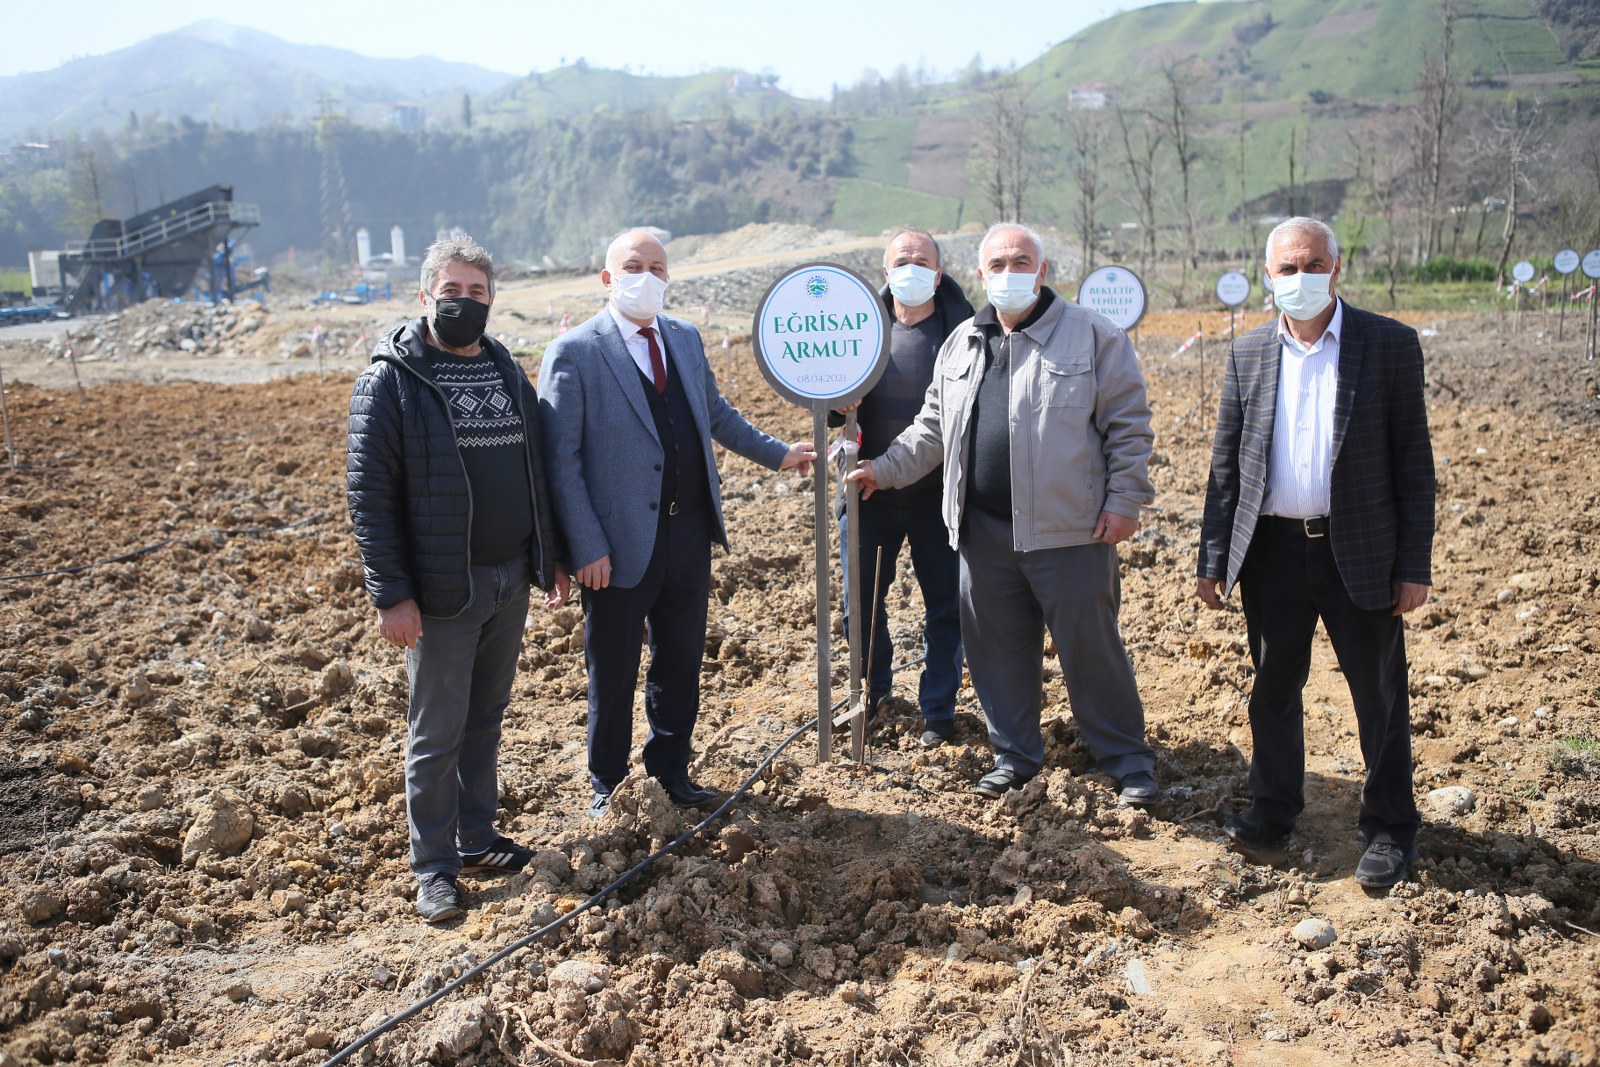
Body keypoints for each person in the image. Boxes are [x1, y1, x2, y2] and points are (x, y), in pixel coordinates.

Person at [847, 222, 1159, 805]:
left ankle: (1126, 759)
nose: (1010, 273)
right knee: (997, 652)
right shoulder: (962, 342)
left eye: (1022, 262)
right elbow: (932, 429)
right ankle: (1015, 755)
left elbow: (1129, 428)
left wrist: (1124, 502)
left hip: (1070, 531)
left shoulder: (1094, 336)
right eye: (998, 264)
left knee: (1091, 650)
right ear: (982, 274)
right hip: (983, 532)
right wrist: (882, 469)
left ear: (1042, 272)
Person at [538, 229, 816, 819]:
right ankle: (607, 784)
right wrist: (584, 544)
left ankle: (671, 769)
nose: (646, 277)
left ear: (669, 277)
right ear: (607, 279)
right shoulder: (576, 352)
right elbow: (559, 461)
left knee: (680, 657)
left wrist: (778, 453)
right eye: (632, 266)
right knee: (611, 668)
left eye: (657, 268)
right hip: (614, 545)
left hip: (687, 531)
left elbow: (714, 413)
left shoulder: (685, 338)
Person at [1196, 216, 1435, 889]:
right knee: (1272, 689)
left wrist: (1414, 564)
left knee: (1379, 695)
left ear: (1337, 268)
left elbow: (1414, 463)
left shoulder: (1386, 345)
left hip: (1358, 549)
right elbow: (1227, 466)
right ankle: (1273, 809)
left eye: (1311, 265)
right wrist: (1212, 557)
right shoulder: (1247, 354)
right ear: (1268, 277)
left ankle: (1390, 826)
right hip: (1272, 551)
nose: (1299, 279)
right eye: (1286, 269)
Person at [347, 233, 569, 923]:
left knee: (484, 718)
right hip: (443, 589)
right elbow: (370, 495)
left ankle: (477, 836)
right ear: (424, 297)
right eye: (451, 293)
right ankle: (435, 867)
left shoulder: (505, 368)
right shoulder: (392, 380)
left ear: (492, 301)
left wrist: (548, 554)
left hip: (508, 579)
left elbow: (536, 473)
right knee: (435, 730)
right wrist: (392, 593)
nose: (464, 304)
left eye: (476, 293)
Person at [833, 228, 973, 747]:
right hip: (868, 493)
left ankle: (938, 710)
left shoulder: (967, 331)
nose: (911, 268)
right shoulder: (859, 330)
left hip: (942, 498)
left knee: (947, 608)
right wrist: (835, 408)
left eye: (922, 260)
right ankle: (874, 694)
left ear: (938, 273)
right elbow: (829, 407)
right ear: (885, 271)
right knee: (860, 607)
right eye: (901, 260)